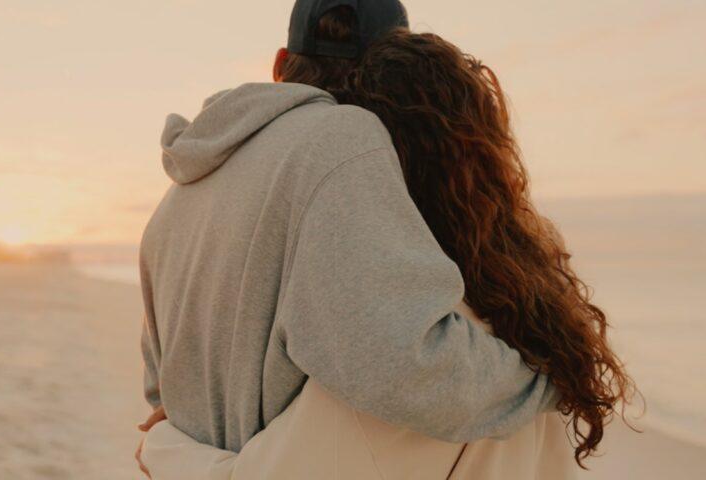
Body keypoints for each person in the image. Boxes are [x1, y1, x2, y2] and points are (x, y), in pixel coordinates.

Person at [135, 0, 634, 477]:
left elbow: (163, 397)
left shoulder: (176, 198)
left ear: (281, 64)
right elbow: (405, 363)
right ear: (389, 67)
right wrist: (545, 371)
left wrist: (173, 453)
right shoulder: (341, 137)